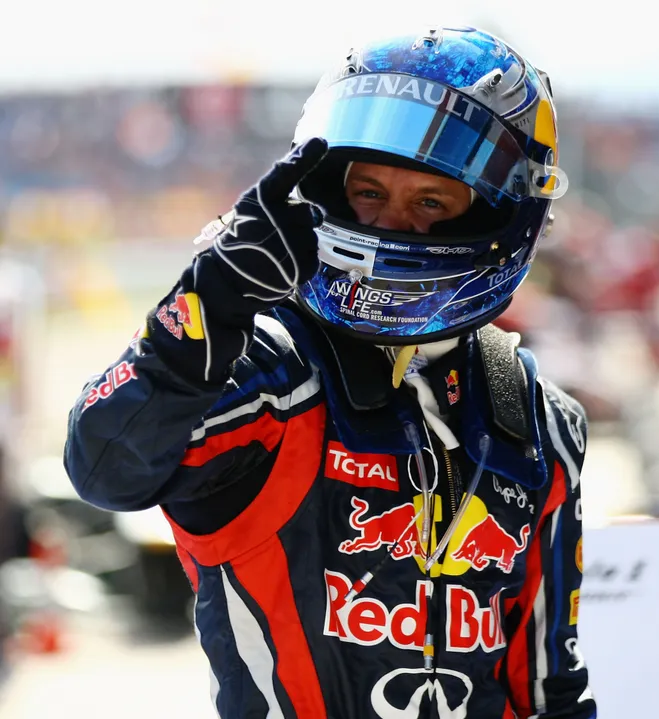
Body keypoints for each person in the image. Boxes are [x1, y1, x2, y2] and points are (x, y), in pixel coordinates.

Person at [64, 26, 595, 719]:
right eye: (367, 192)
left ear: (502, 214)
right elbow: (102, 468)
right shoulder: (266, 378)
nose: (388, 222)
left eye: (430, 202)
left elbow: (552, 686)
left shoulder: (537, 419)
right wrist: (205, 310)